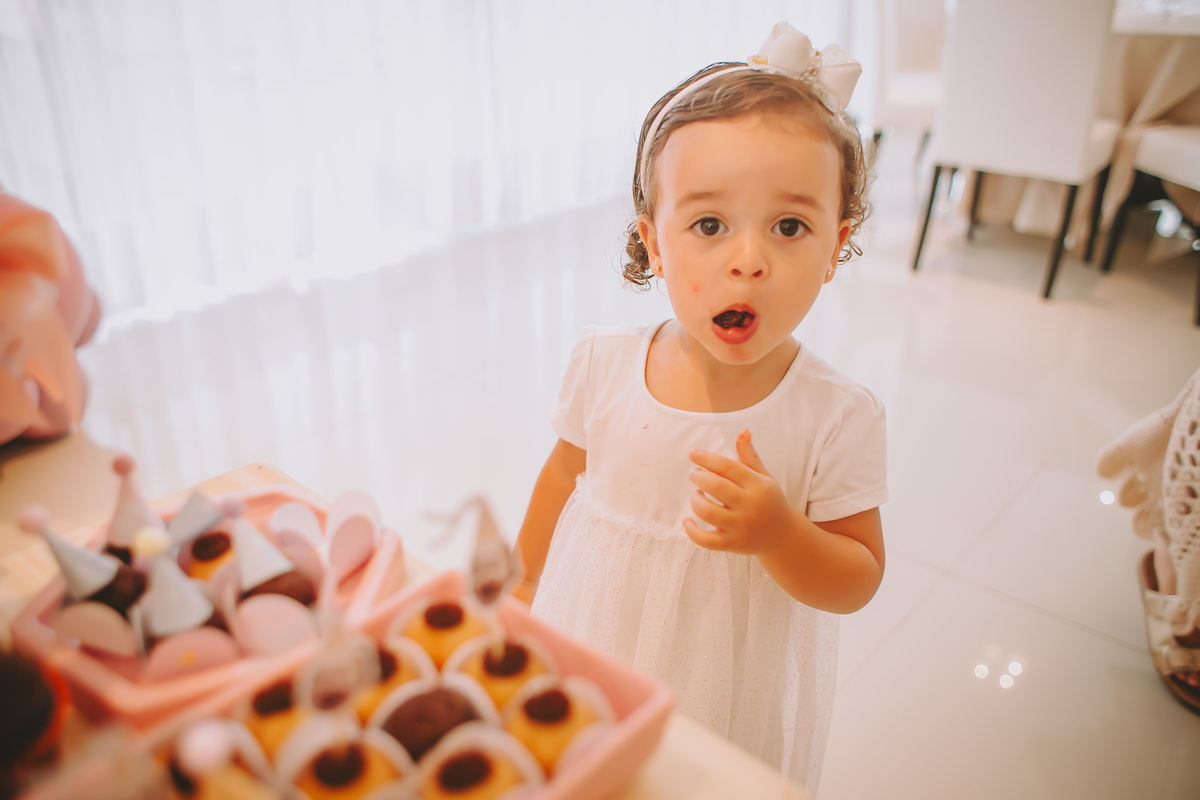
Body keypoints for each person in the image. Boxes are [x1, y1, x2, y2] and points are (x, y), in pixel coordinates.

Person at [513, 22, 887, 793]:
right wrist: (523, 588)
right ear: (652, 243)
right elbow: (561, 480)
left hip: (720, 673)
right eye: (709, 224)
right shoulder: (603, 362)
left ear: (834, 246)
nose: (746, 259)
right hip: (592, 623)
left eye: (789, 226)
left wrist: (782, 535)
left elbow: (858, 577)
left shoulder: (837, 415)